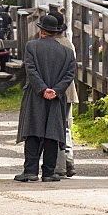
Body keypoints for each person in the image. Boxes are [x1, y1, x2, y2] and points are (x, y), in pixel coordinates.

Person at [15, 14, 76, 183]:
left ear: (41, 30)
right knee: (52, 134)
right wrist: (55, 91)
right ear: (56, 32)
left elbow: (31, 70)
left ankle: (30, 171)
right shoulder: (67, 52)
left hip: (35, 96)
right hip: (56, 98)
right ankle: (49, 173)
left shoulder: (31, 47)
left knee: (33, 132)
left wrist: (42, 89)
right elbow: (69, 75)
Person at [43, 11, 77, 178]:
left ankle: (59, 166)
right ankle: (69, 161)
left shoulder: (46, 45)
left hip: (54, 91)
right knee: (65, 128)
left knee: (53, 128)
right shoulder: (68, 44)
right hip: (68, 91)